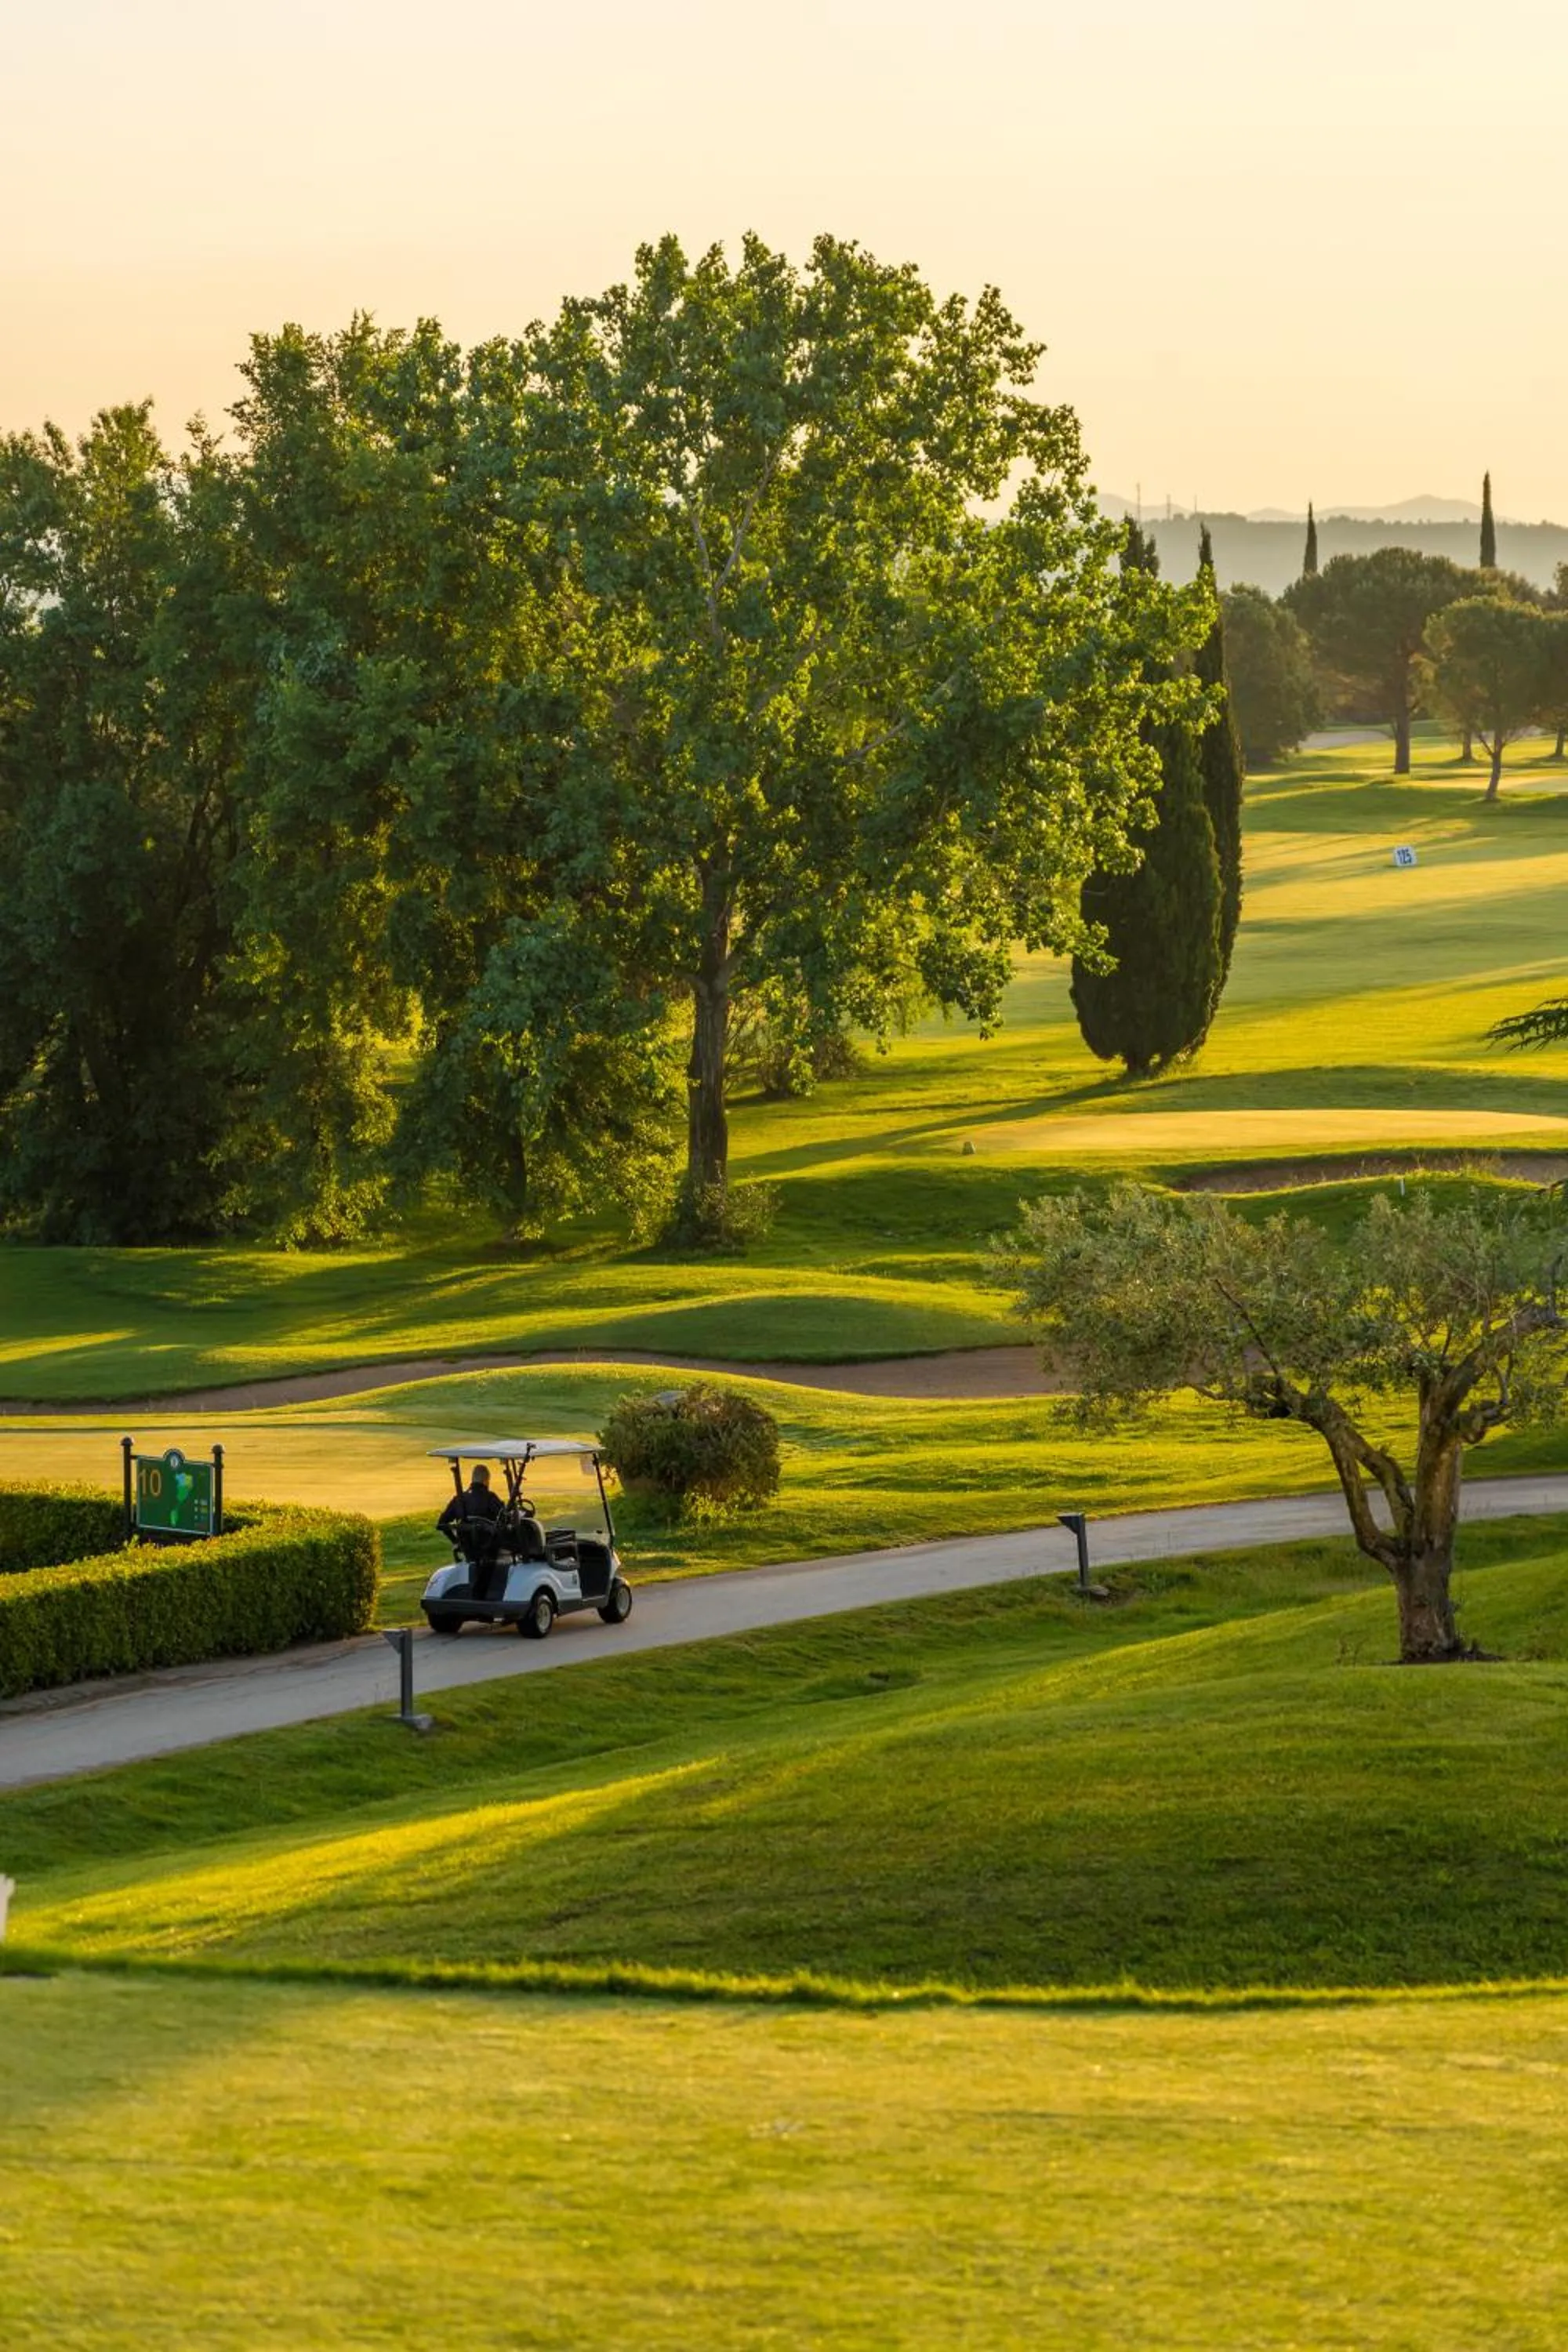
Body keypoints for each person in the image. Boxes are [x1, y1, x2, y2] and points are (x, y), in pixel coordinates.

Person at [437, 1461, 505, 1555]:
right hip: (490, 1549)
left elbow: (441, 1523)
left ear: (472, 1479)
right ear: (486, 1480)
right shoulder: (490, 1498)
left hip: (468, 1550)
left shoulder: (459, 1499)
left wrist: (456, 1542)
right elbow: (505, 1519)